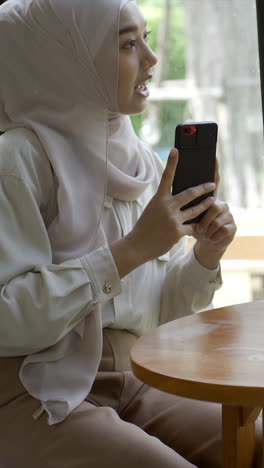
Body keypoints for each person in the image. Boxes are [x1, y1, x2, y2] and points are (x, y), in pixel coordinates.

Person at [0, 0, 259, 467]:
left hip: (141, 378)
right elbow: (6, 319)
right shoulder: (17, 161)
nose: (152, 59)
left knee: (257, 443)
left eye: (146, 38)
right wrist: (133, 249)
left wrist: (204, 255)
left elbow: (157, 313)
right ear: (68, 57)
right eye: (127, 43)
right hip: (38, 392)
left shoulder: (138, 160)